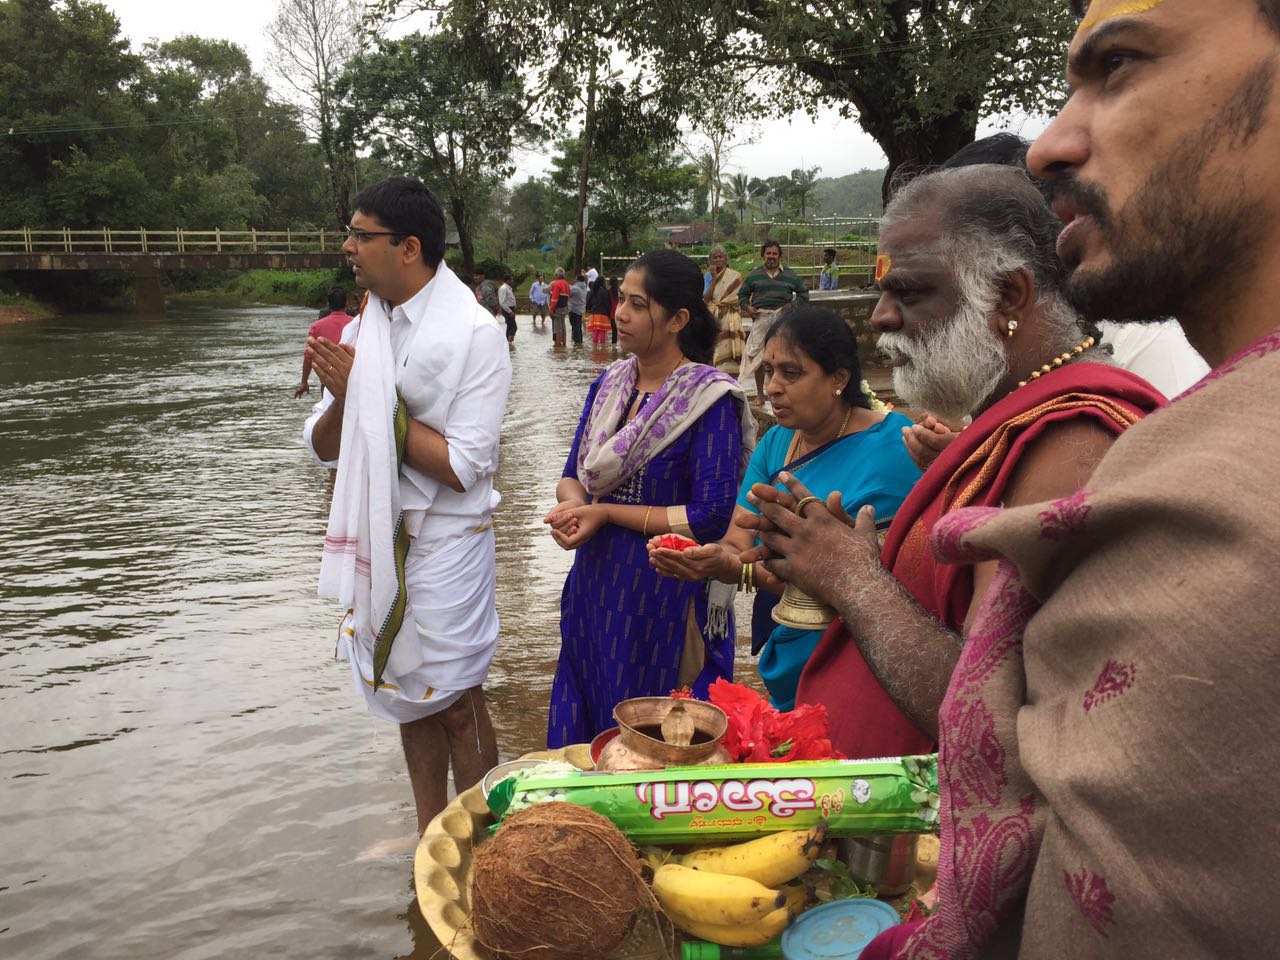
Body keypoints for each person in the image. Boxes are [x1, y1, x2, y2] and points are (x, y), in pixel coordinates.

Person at [816, 1, 1280, 954]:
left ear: (1010, 301)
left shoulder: (1089, 436)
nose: (1051, 146)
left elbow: (1020, 744)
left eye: (1119, 66)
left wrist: (849, 578)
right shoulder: (1092, 426)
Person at [747, 162, 1166, 763]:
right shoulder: (1008, 422)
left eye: (910, 291)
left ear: (1008, 296)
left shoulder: (1072, 437)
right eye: (884, 289)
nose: (881, 316)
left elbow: (1002, 720)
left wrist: (852, 580)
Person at [303, 176, 511, 835]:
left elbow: (462, 465)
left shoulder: (475, 333)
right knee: (407, 700)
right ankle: (431, 836)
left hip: (448, 543)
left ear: (409, 247)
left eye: (362, 236)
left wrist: (370, 399)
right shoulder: (372, 319)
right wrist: (345, 396)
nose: (349, 248)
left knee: (455, 701)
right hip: (382, 533)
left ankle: (485, 840)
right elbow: (327, 449)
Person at [650, 306, 920, 711]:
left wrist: (742, 568)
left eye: (791, 374)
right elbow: (738, 541)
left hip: (868, 655)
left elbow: (909, 574)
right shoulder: (776, 443)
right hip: (791, 641)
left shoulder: (899, 450)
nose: (772, 387)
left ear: (839, 379)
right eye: (770, 370)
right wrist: (711, 558)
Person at [543, 249, 757, 748]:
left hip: (664, 593)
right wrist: (572, 507)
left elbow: (709, 517)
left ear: (678, 319)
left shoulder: (709, 401)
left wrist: (602, 512)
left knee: (659, 742)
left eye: (637, 305)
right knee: (587, 731)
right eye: (621, 299)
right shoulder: (608, 385)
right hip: (595, 585)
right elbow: (572, 473)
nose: (619, 313)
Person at [738, 240, 808, 405]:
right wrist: (748, 308)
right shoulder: (754, 275)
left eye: (774, 254)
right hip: (762, 319)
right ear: (763, 255)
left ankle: (785, 392)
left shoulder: (790, 275)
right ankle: (760, 395)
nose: (771, 257)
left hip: (783, 320)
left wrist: (791, 306)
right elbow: (742, 295)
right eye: (768, 253)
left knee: (785, 355)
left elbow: (804, 294)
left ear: (779, 256)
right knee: (758, 357)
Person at [294, 287, 352, 398]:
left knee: (328, 412)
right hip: (353, 380)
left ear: (328, 304)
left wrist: (304, 382)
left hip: (328, 382)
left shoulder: (316, 326)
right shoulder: (357, 324)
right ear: (347, 303)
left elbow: (308, 357)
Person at [704, 244, 746, 376]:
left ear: (725, 259)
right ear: (711, 260)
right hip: (714, 317)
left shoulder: (735, 276)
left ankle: (730, 374)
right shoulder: (707, 276)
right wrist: (714, 280)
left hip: (730, 316)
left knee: (729, 348)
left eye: (720, 257)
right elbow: (706, 299)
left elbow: (739, 297)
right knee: (714, 348)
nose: (718, 260)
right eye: (715, 257)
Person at [585, 271, 612, 348]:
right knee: (602, 333)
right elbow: (607, 304)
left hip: (593, 314)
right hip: (602, 314)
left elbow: (588, 303)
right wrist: (609, 314)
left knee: (595, 332)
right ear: (603, 282)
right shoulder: (604, 291)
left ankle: (595, 350)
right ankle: (603, 351)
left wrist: (589, 310)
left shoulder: (592, 291)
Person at [548, 267, 571, 347]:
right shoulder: (566, 284)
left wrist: (551, 310)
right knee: (563, 327)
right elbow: (568, 297)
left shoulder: (556, 284)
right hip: (564, 308)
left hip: (557, 309)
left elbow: (554, 299)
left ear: (556, 275)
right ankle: (564, 345)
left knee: (557, 328)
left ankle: (557, 347)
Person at [567, 270, 588, 346]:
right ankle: (579, 343)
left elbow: (568, 294)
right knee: (578, 327)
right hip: (581, 310)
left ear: (577, 280)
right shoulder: (585, 288)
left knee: (575, 328)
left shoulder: (575, 288)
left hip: (574, 310)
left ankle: (577, 345)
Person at [498, 273, 517, 346]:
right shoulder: (503, 288)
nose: (512, 280)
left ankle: (507, 343)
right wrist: (510, 311)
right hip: (507, 310)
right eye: (511, 279)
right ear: (508, 280)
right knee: (513, 327)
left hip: (510, 309)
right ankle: (510, 344)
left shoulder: (508, 288)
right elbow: (502, 302)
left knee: (509, 327)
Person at [608, 275, 620, 344]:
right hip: (620, 312)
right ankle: (623, 348)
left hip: (612, 313)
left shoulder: (609, 291)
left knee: (614, 331)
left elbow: (608, 303)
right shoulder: (620, 291)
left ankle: (614, 346)